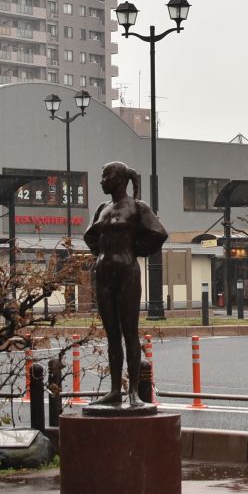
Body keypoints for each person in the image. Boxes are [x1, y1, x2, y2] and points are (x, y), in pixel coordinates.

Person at [83, 161, 168, 408]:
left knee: (130, 332)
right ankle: (114, 391)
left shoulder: (137, 207)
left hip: (127, 273)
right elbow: (89, 235)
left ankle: (133, 392)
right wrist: (102, 254)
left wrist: (133, 250)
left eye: (105, 175)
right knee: (111, 335)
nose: (101, 181)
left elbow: (159, 233)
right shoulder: (102, 208)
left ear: (119, 180)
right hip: (103, 273)